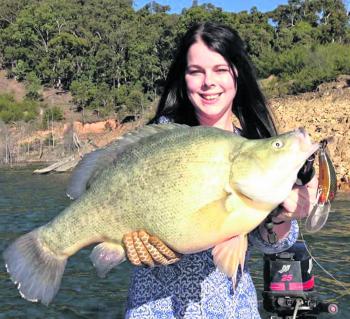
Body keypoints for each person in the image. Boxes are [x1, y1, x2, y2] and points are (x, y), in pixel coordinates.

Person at [124, 22, 318, 318]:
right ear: (184, 77)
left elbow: (268, 244)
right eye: (196, 71)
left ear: (236, 73)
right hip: (155, 309)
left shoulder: (253, 147)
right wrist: (130, 245)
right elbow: (121, 208)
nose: (208, 82)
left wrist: (283, 214)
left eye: (220, 69)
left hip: (231, 309)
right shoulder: (158, 142)